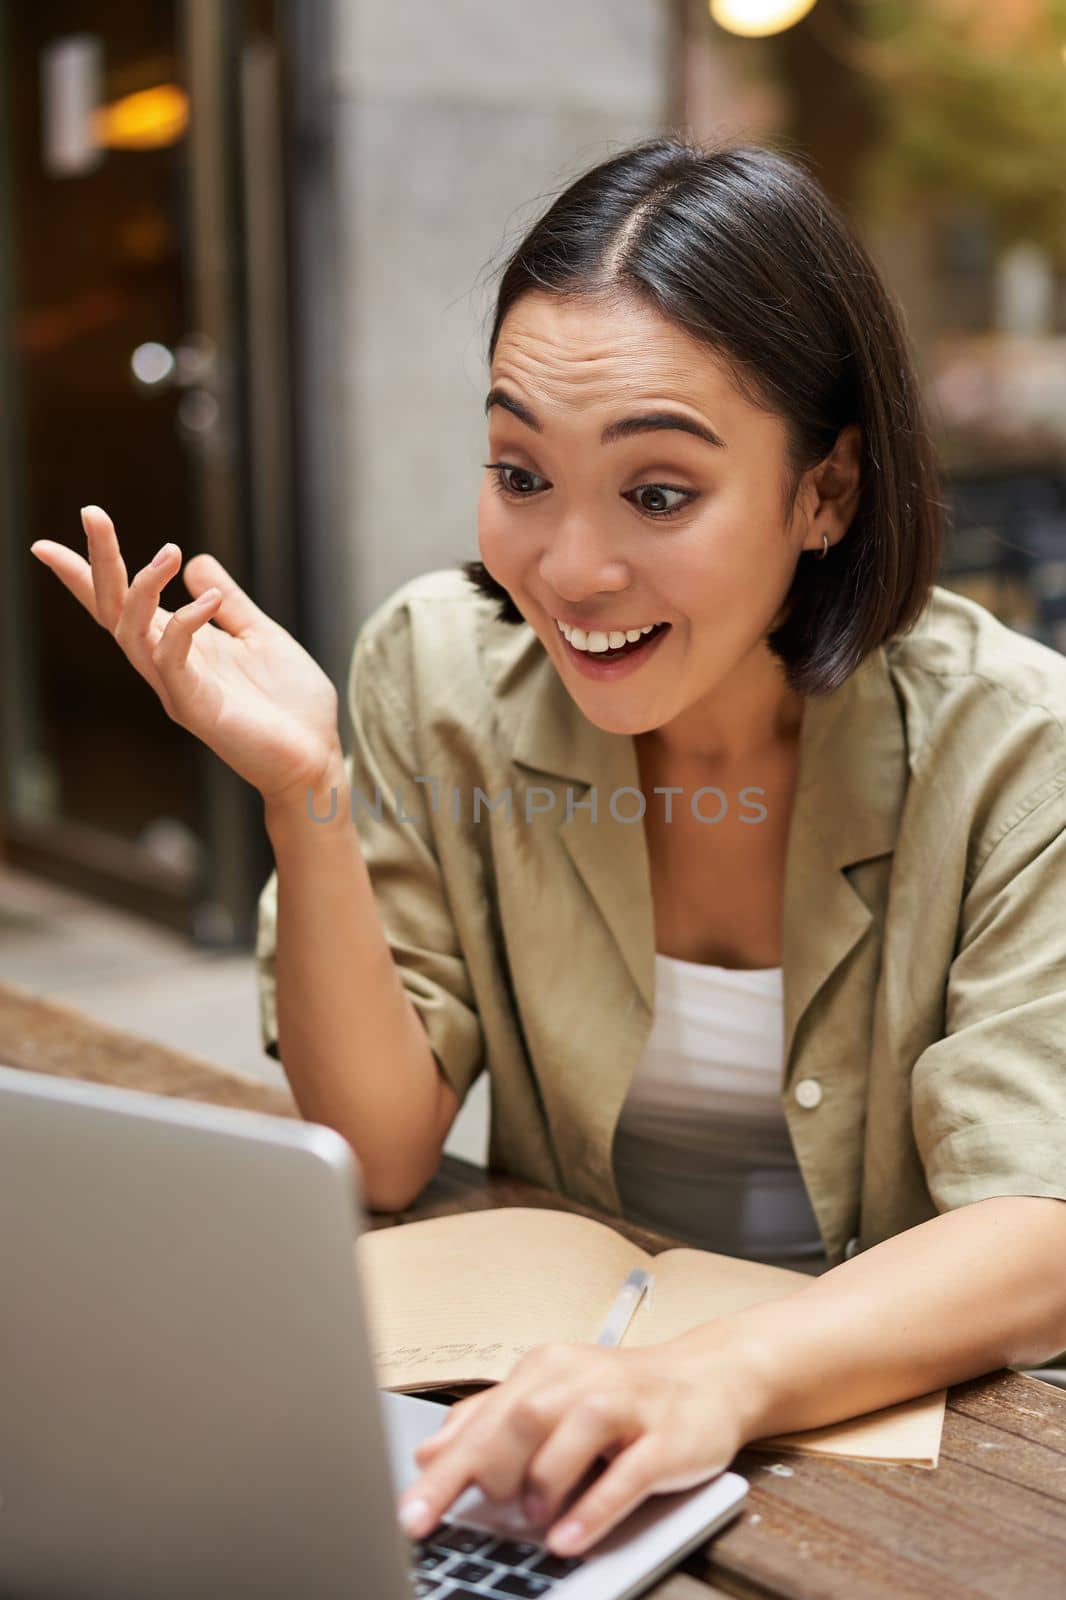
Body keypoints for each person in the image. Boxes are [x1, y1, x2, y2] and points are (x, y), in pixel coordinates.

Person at [31, 137, 1066, 1562]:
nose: (569, 570)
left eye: (656, 494)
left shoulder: (1012, 742)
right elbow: (379, 1149)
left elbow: (1037, 1226)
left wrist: (706, 1380)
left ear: (825, 493)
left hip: (896, 1455)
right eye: (520, 471)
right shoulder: (437, 670)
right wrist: (305, 794)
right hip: (547, 1415)